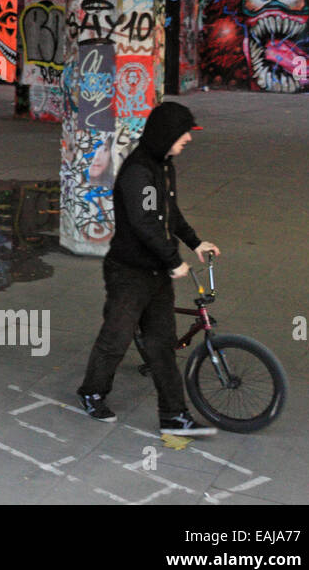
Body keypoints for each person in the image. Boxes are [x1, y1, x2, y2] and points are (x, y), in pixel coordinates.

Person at [77, 101, 222, 435]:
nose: (188, 139)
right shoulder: (139, 173)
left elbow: (170, 212)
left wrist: (195, 242)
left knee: (162, 346)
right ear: (166, 134)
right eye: (184, 133)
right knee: (116, 338)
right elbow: (144, 223)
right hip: (129, 272)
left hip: (156, 272)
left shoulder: (163, 165)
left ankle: (174, 416)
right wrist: (174, 261)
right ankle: (92, 392)